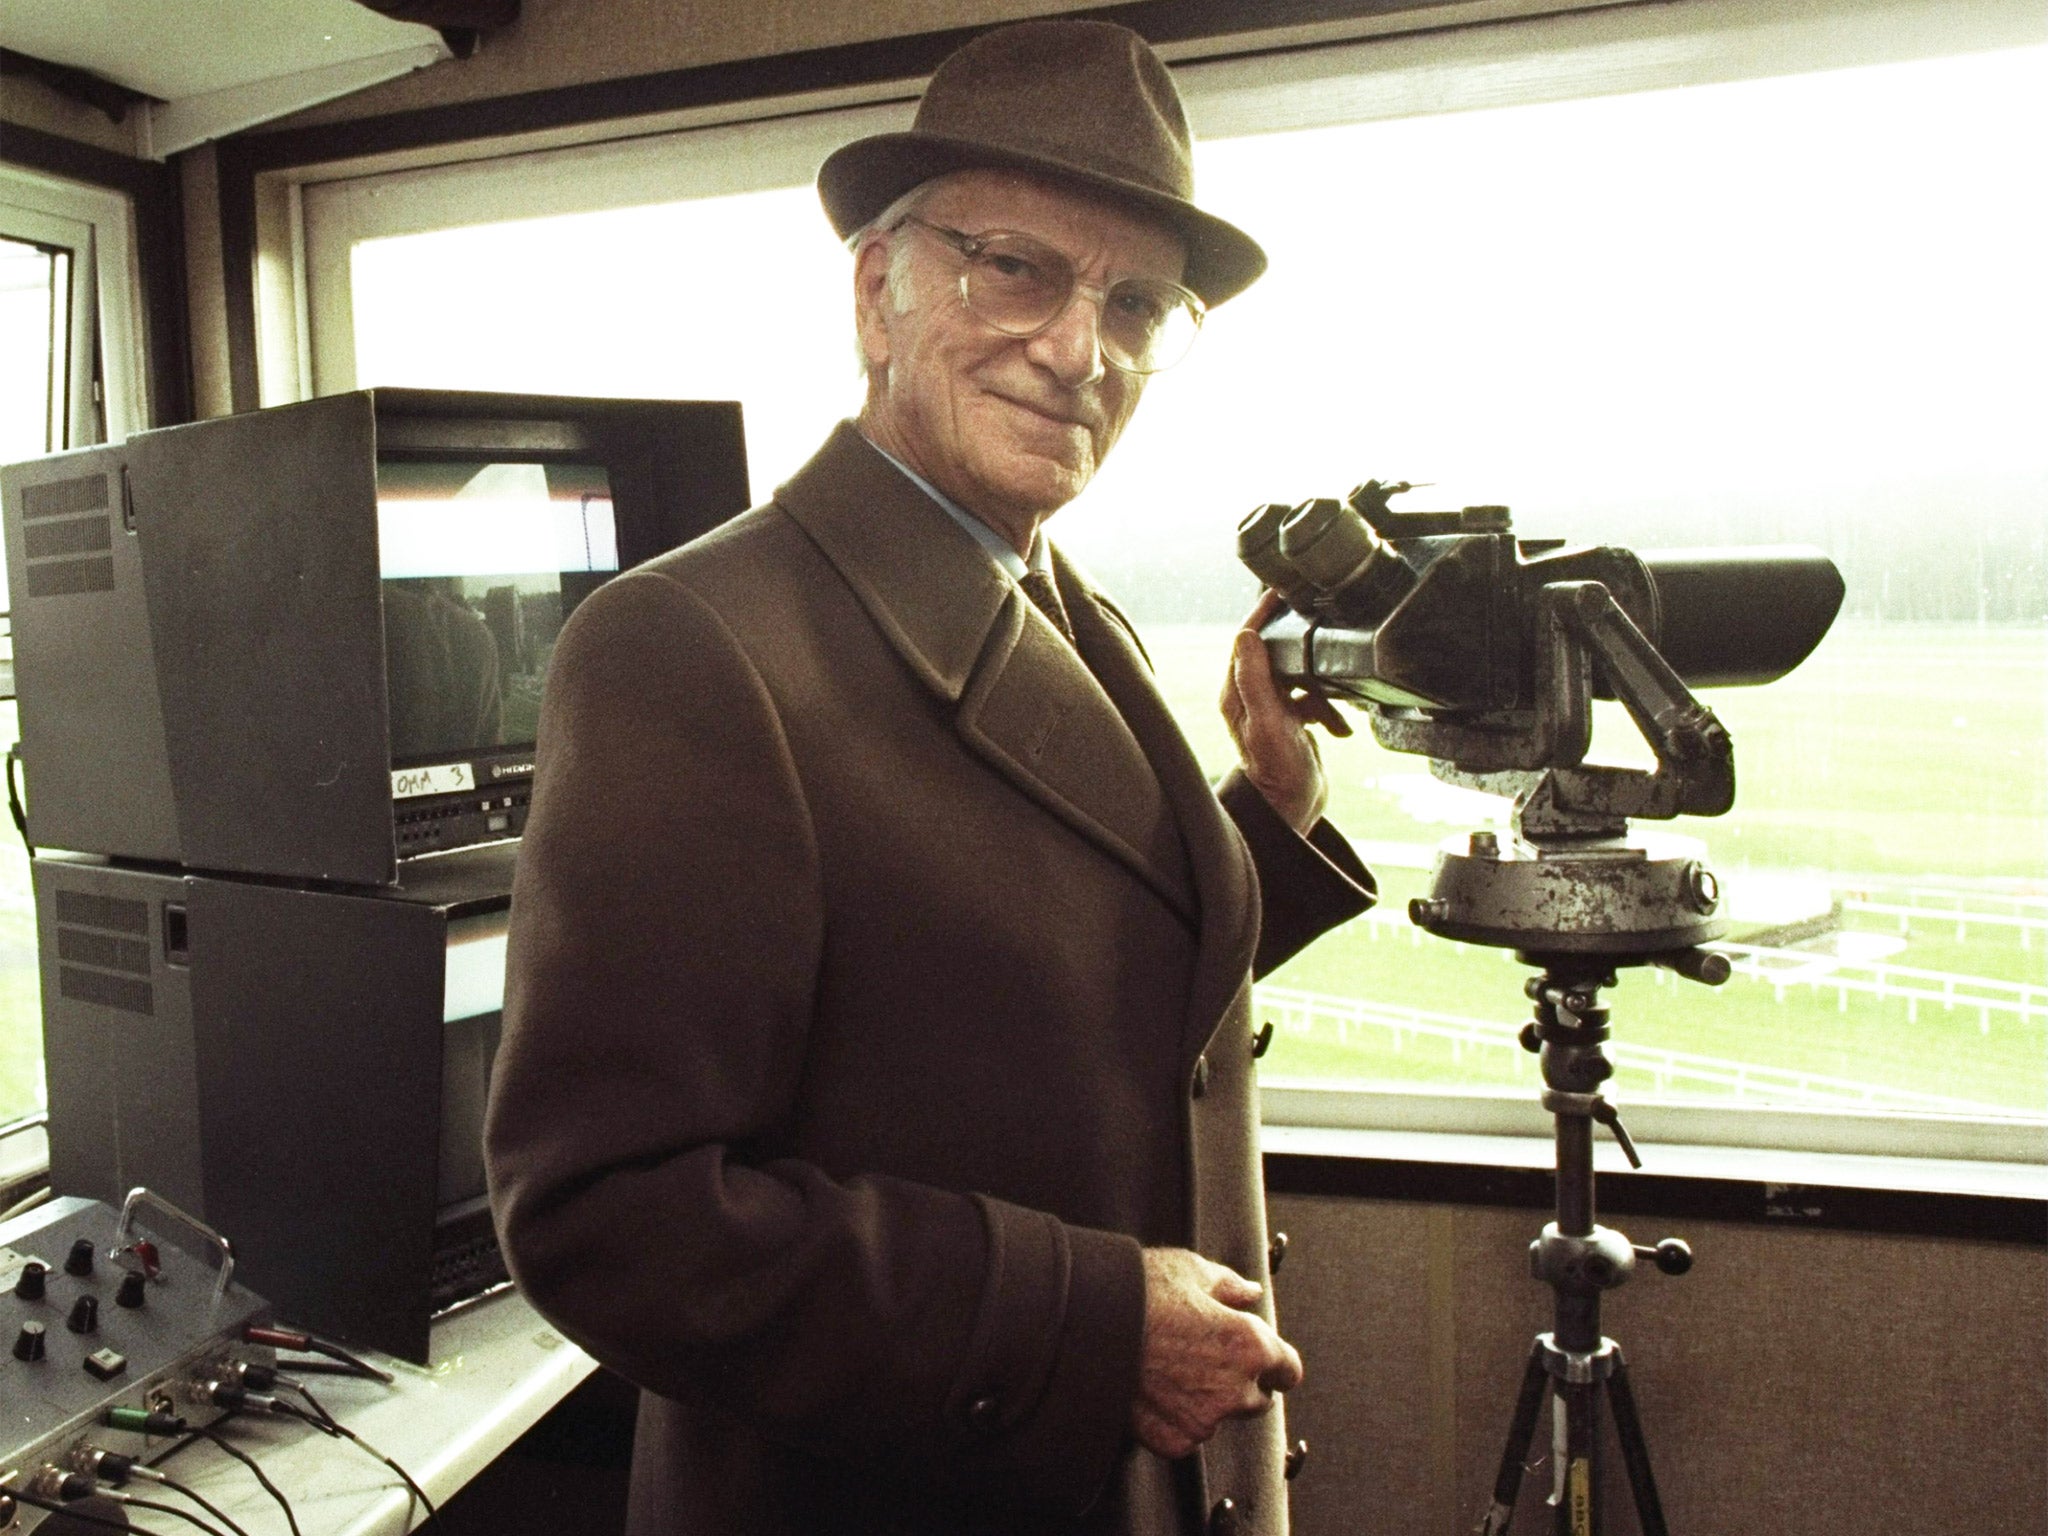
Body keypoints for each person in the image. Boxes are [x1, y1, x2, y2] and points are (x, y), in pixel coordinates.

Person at [484, 20, 1375, 1536]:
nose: (1080, 350)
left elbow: (1022, 994)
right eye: (1015, 266)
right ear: (875, 292)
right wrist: (1090, 1328)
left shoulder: (1064, 606)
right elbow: (607, 1219)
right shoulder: (693, 646)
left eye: (1139, 302)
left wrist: (1264, 827)